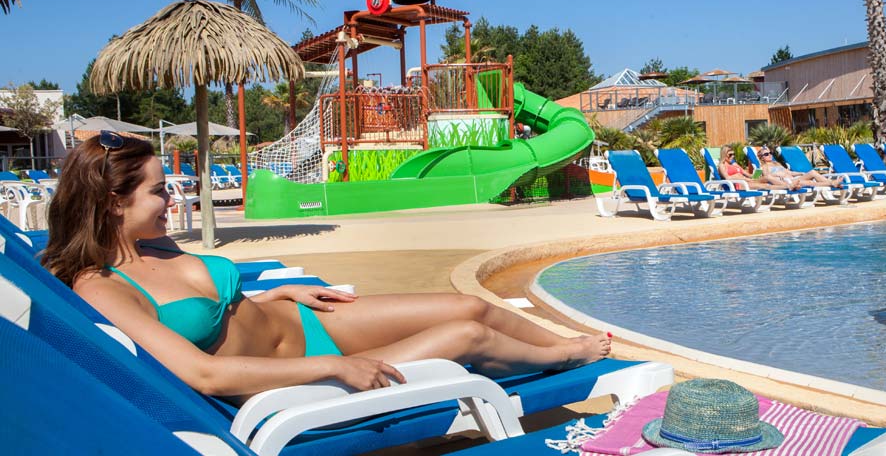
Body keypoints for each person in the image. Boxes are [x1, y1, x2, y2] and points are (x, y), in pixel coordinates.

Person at [42, 132, 611, 400]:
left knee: (466, 303)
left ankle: (567, 352)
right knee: (465, 334)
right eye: (160, 192)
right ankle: (563, 358)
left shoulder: (154, 247)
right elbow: (203, 373)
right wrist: (331, 370)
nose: (174, 201)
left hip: (306, 327)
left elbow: (202, 311)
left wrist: (277, 294)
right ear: (113, 202)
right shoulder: (101, 286)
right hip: (302, 371)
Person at [754, 147, 842, 190]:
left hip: (793, 179)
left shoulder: (777, 163)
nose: (769, 155)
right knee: (809, 182)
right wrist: (775, 174)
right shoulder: (762, 167)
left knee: (812, 172)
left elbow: (789, 172)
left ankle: (831, 182)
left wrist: (800, 173)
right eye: (766, 154)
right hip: (785, 182)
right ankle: (831, 183)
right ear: (761, 157)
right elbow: (755, 178)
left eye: (770, 153)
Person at [717, 145, 788, 190]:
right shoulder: (722, 165)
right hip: (739, 184)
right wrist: (739, 177)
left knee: (768, 177)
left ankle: (789, 185)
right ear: (724, 155)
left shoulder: (734, 164)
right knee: (765, 186)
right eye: (730, 154)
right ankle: (788, 187)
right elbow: (727, 178)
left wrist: (756, 174)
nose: (732, 156)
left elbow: (748, 175)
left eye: (733, 154)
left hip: (748, 180)